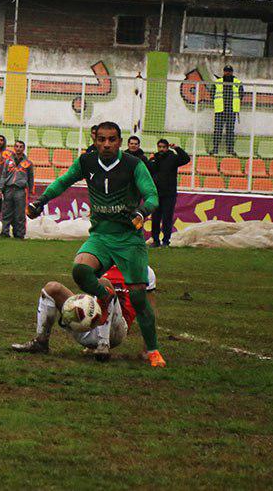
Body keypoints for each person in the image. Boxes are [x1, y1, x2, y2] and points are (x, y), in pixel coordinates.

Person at [27, 121, 165, 368]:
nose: (106, 144)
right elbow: (63, 181)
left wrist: (142, 212)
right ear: (95, 141)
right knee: (80, 270)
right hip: (101, 236)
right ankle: (104, 299)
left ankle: (153, 351)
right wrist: (41, 201)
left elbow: (152, 195)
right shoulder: (87, 162)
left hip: (129, 240)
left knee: (138, 297)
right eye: (101, 139)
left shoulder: (134, 165)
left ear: (120, 142)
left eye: (112, 139)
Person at [10, 266, 156, 362]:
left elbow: (148, 311)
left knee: (104, 283)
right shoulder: (100, 263)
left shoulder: (145, 270)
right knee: (52, 288)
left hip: (117, 330)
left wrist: (148, 349)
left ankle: (103, 345)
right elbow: (91, 300)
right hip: (88, 327)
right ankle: (40, 343)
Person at [148, 139, 190, 247]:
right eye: (159, 147)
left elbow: (186, 159)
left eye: (163, 147)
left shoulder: (173, 158)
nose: (161, 149)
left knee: (167, 218)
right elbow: (149, 171)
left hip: (169, 194)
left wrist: (177, 148)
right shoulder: (154, 158)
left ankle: (166, 241)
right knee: (155, 219)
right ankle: (155, 241)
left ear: (167, 148)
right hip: (156, 194)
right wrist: (150, 161)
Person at [0, 140, 34, 239]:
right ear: (14, 148)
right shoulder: (8, 161)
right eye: (17, 146)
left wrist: (31, 190)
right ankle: (5, 232)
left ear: (24, 148)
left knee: (20, 214)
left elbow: (31, 177)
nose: (18, 149)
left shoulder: (28, 163)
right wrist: (0, 189)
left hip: (20, 190)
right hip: (8, 189)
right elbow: (3, 175)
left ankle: (20, 234)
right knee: (6, 212)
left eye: (21, 147)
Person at [210, 64, 243, 156]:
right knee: (217, 130)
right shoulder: (218, 82)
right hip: (220, 111)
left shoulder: (237, 82)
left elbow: (241, 95)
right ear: (223, 72)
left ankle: (230, 150)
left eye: (229, 71)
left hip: (231, 111)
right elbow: (212, 94)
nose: (227, 72)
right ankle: (215, 149)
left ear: (232, 72)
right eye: (226, 71)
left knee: (230, 131)